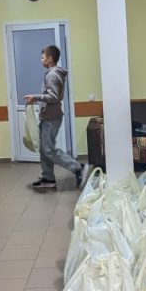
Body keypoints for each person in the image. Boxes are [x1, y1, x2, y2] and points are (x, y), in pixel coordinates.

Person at [24, 44, 89, 191]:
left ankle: (78, 168)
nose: (41, 60)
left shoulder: (52, 75)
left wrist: (35, 97)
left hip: (51, 118)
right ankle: (48, 178)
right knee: (43, 148)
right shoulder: (52, 73)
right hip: (48, 116)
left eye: (43, 57)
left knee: (48, 149)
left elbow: (53, 97)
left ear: (50, 59)